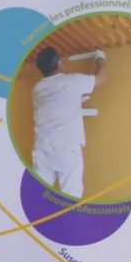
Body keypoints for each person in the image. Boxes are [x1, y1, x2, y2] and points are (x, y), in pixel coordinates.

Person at [26, 43, 107, 202]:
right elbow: (101, 77)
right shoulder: (72, 81)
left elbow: (54, 106)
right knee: (71, 197)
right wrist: (101, 58)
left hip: (42, 149)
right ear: (58, 63)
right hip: (66, 148)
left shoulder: (37, 89)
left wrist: (75, 101)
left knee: (39, 197)